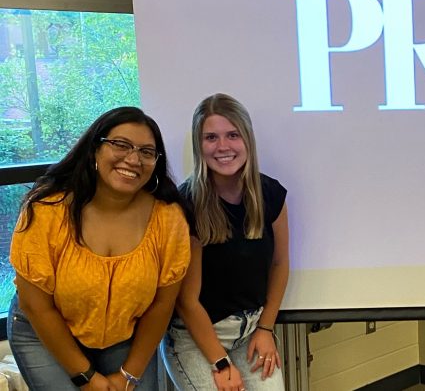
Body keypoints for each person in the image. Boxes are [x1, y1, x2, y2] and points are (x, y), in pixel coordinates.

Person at [7, 106, 190, 391]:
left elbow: (162, 304)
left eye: (146, 152)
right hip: (42, 331)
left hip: (123, 336)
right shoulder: (45, 210)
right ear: (95, 149)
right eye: (120, 145)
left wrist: (129, 375)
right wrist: (86, 378)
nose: (133, 159)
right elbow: (36, 305)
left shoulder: (168, 218)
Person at [161, 93, 289, 391]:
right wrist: (220, 362)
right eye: (211, 137)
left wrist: (266, 328)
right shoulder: (186, 205)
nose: (223, 147)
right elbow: (186, 300)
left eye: (232, 135)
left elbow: (280, 264)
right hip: (197, 339)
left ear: (247, 139)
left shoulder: (271, 194)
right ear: (199, 145)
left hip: (251, 331)